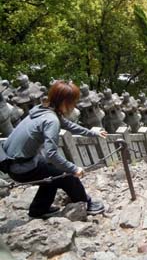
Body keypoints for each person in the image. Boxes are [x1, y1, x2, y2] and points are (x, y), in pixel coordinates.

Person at [2, 80, 107, 219]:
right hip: (21, 167)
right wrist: (74, 169)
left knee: (51, 174)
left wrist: (92, 133)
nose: (74, 106)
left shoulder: (42, 109)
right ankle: (86, 204)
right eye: (73, 102)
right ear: (65, 102)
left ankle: (38, 210)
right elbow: (51, 154)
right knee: (66, 175)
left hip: (14, 161)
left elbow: (68, 125)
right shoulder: (51, 120)